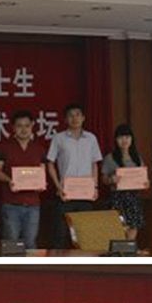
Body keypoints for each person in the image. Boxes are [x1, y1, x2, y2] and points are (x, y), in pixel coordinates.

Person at [46, 103, 102, 248]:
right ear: (65, 119)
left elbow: (94, 164)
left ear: (83, 118)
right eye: (71, 115)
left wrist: (95, 187)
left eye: (78, 115)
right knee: (60, 234)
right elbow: (50, 163)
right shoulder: (58, 138)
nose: (74, 118)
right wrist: (58, 186)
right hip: (65, 194)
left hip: (86, 194)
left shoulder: (91, 138)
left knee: (85, 235)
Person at [0, 110, 46, 248]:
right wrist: (9, 180)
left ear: (32, 126)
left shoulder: (39, 149)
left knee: (30, 243)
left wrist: (42, 183)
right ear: (13, 127)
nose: (23, 129)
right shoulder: (4, 147)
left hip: (33, 204)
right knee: (12, 243)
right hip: (11, 204)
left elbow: (42, 172)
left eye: (27, 125)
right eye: (19, 126)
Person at [101, 124, 147, 241]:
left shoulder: (137, 157)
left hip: (133, 198)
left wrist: (146, 183)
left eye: (127, 137)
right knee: (118, 229)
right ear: (116, 140)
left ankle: (128, 250)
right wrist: (111, 180)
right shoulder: (110, 158)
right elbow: (103, 179)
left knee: (133, 228)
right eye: (120, 137)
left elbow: (143, 178)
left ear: (132, 139)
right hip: (117, 198)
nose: (124, 140)